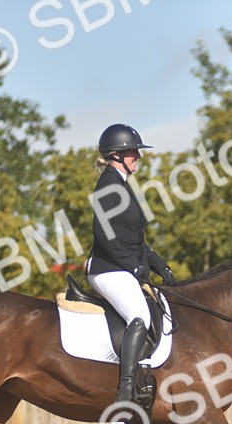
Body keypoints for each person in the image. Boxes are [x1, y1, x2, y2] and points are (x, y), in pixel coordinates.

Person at [85, 123, 177, 405]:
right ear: (115, 155)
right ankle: (126, 390)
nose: (138, 155)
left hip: (119, 266)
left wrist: (158, 265)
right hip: (107, 268)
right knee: (140, 315)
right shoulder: (109, 186)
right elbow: (104, 234)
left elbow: (132, 239)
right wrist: (132, 265)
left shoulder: (121, 185)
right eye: (132, 151)